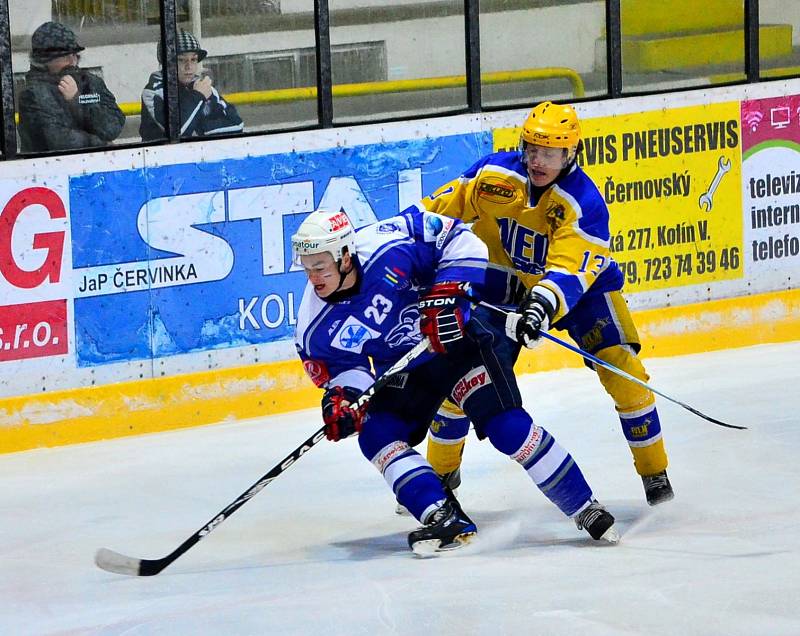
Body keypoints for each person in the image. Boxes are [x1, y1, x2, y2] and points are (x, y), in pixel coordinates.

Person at [292, 206, 620, 555]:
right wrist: (345, 398)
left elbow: (459, 237)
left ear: (344, 256)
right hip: (408, 369)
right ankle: (442, 516)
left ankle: (584, 506)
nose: (313, 277)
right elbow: (346, 367)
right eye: (307, 268)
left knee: (507, 427)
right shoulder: (313, 325)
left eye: (320, 266)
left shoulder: (389, 245)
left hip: (460, 344)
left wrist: (449, 289)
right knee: (375, 433)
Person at [419, 101, 674, 507]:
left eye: (550, 152)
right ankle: (439, 479)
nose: (538, 159)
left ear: (571, 154)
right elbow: (435, 210)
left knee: (624, 371)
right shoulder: (495, 175)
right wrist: (399, 243)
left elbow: (570, 270)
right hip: (506, 286)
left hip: (584, 292)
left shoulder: (584, 204)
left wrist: (541, 305)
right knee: (461, 379)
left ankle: (654, 472)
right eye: (532, 148)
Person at [17, 21, 125, 152]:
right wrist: (102, 144)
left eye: (74, 55)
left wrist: (78, 101)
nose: (72, 61)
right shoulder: (32, 94)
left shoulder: (90, 82)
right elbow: (60, 140)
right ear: (44, 60)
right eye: (65, 56)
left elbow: (111, 127)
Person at [140, 28, 244, 141]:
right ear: (165, 63)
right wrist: (198, 96)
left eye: (194, 59)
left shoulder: (203, 87)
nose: (189, 66)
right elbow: (177, 132)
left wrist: (197, 129)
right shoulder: (153, 92)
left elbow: (237, 124)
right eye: (181, 60)